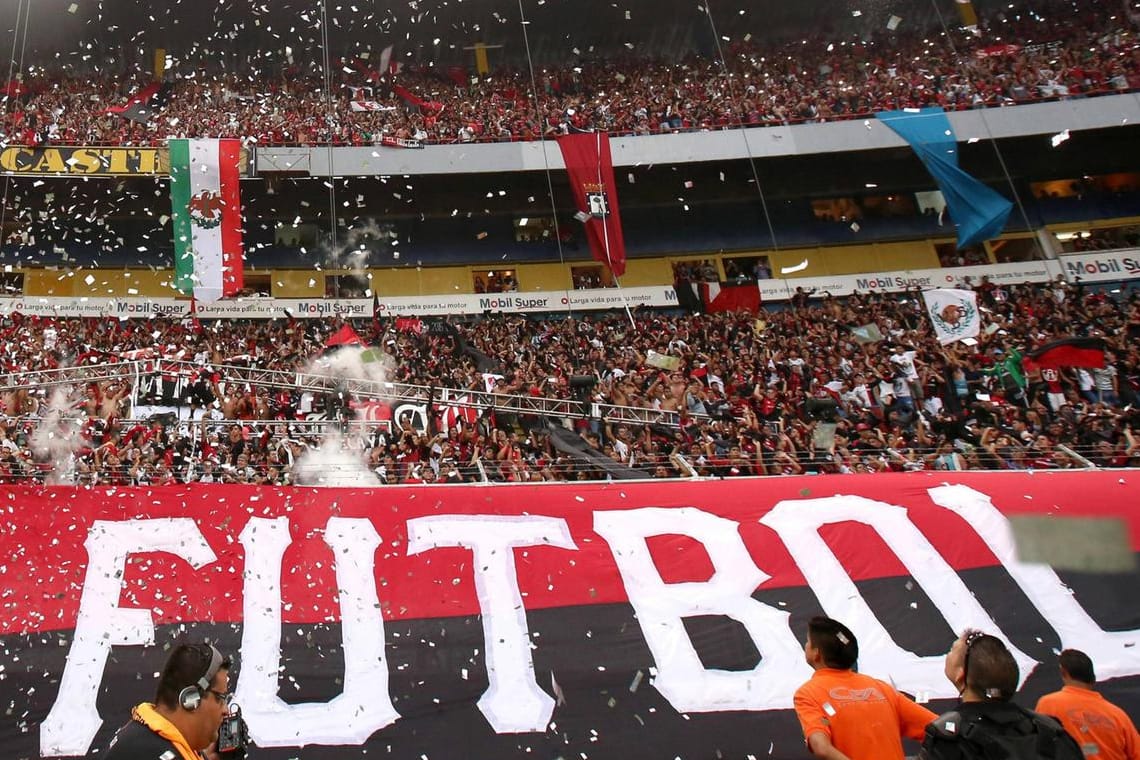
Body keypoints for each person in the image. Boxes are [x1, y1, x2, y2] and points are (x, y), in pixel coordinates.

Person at [919, 630, 1083, 760]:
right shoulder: (1051, 730)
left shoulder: (949, 739)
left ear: (960, 675)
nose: (948, 654)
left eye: (951, 650)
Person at [793, 616, 937, 760]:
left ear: (816, 653)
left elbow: (821, 747)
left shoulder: (808, 693)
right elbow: (941, 729)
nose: (805, 645)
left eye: (808, 641)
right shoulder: (881, 688)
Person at [103, 642, 233, 760]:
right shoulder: (152, 750)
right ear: (191, 698)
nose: (225, 710)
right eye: (220, 698)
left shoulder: (144, 737)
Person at [1035, 649, 1140, 760]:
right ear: (1093, 678)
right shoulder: (1118, 715)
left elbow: (1035, 747)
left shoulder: (1048, 704)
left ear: (1064, 672)